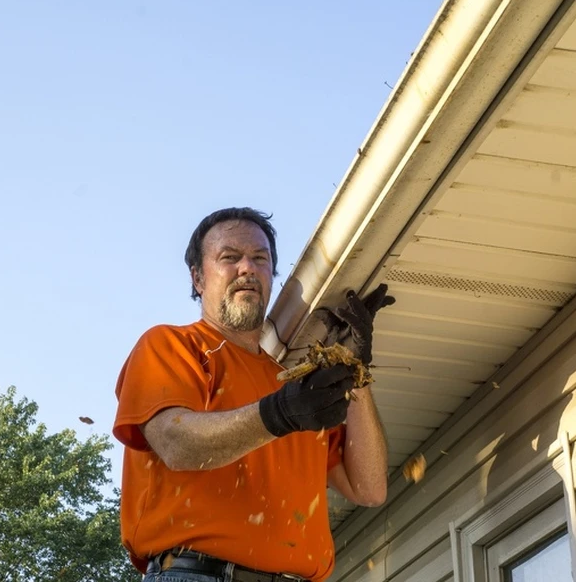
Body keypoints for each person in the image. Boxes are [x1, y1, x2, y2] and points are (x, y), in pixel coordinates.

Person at [113, 207, 394, 582]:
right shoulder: (172, 345)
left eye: (260, 259)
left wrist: (355, 369)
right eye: (229, 257)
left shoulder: (295, 382)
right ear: (198, 277)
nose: (247, 268)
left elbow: (369, 487)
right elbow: (175, 444)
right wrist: (279, 414)